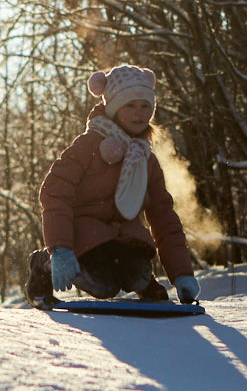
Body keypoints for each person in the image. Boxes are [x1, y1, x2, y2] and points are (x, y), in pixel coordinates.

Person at [25, 64, 201, 308]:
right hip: (84, 237)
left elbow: (163, 216)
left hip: (126, 239)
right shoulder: (88, 145)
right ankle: (42, 262)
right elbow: (55, 191)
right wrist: (60, 249)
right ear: (114, 107)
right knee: (103, 287)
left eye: (145, 106)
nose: (139, 113)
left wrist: (182, 273)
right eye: (130, 105)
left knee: (136, 275)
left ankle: (141, 279)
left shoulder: (145, 159)